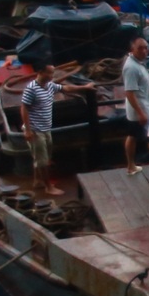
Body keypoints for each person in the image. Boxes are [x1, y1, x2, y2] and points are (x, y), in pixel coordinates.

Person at [20, 63, 94, 196]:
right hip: (35, 129)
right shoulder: (31, 89)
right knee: (42, 161)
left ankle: (38, 181)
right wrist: (28, 130)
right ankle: (48, 187)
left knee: (42, 156)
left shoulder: (49, 86)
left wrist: (84, 87)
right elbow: (24, 108)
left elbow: (66, 88)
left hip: (45, 128)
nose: (51, 76)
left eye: (52, 73)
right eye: (49, 73)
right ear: (40, 72)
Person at [119, 36, 149, 176]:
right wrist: (141, 113)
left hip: (141, 108)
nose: (144, 51)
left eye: (146, 48)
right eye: (140, 48)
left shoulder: (138, 63)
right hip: (141, 109)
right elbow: (129, 92)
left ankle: (131, 166)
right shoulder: (131, 68)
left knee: (132, 136)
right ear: (132, 49)